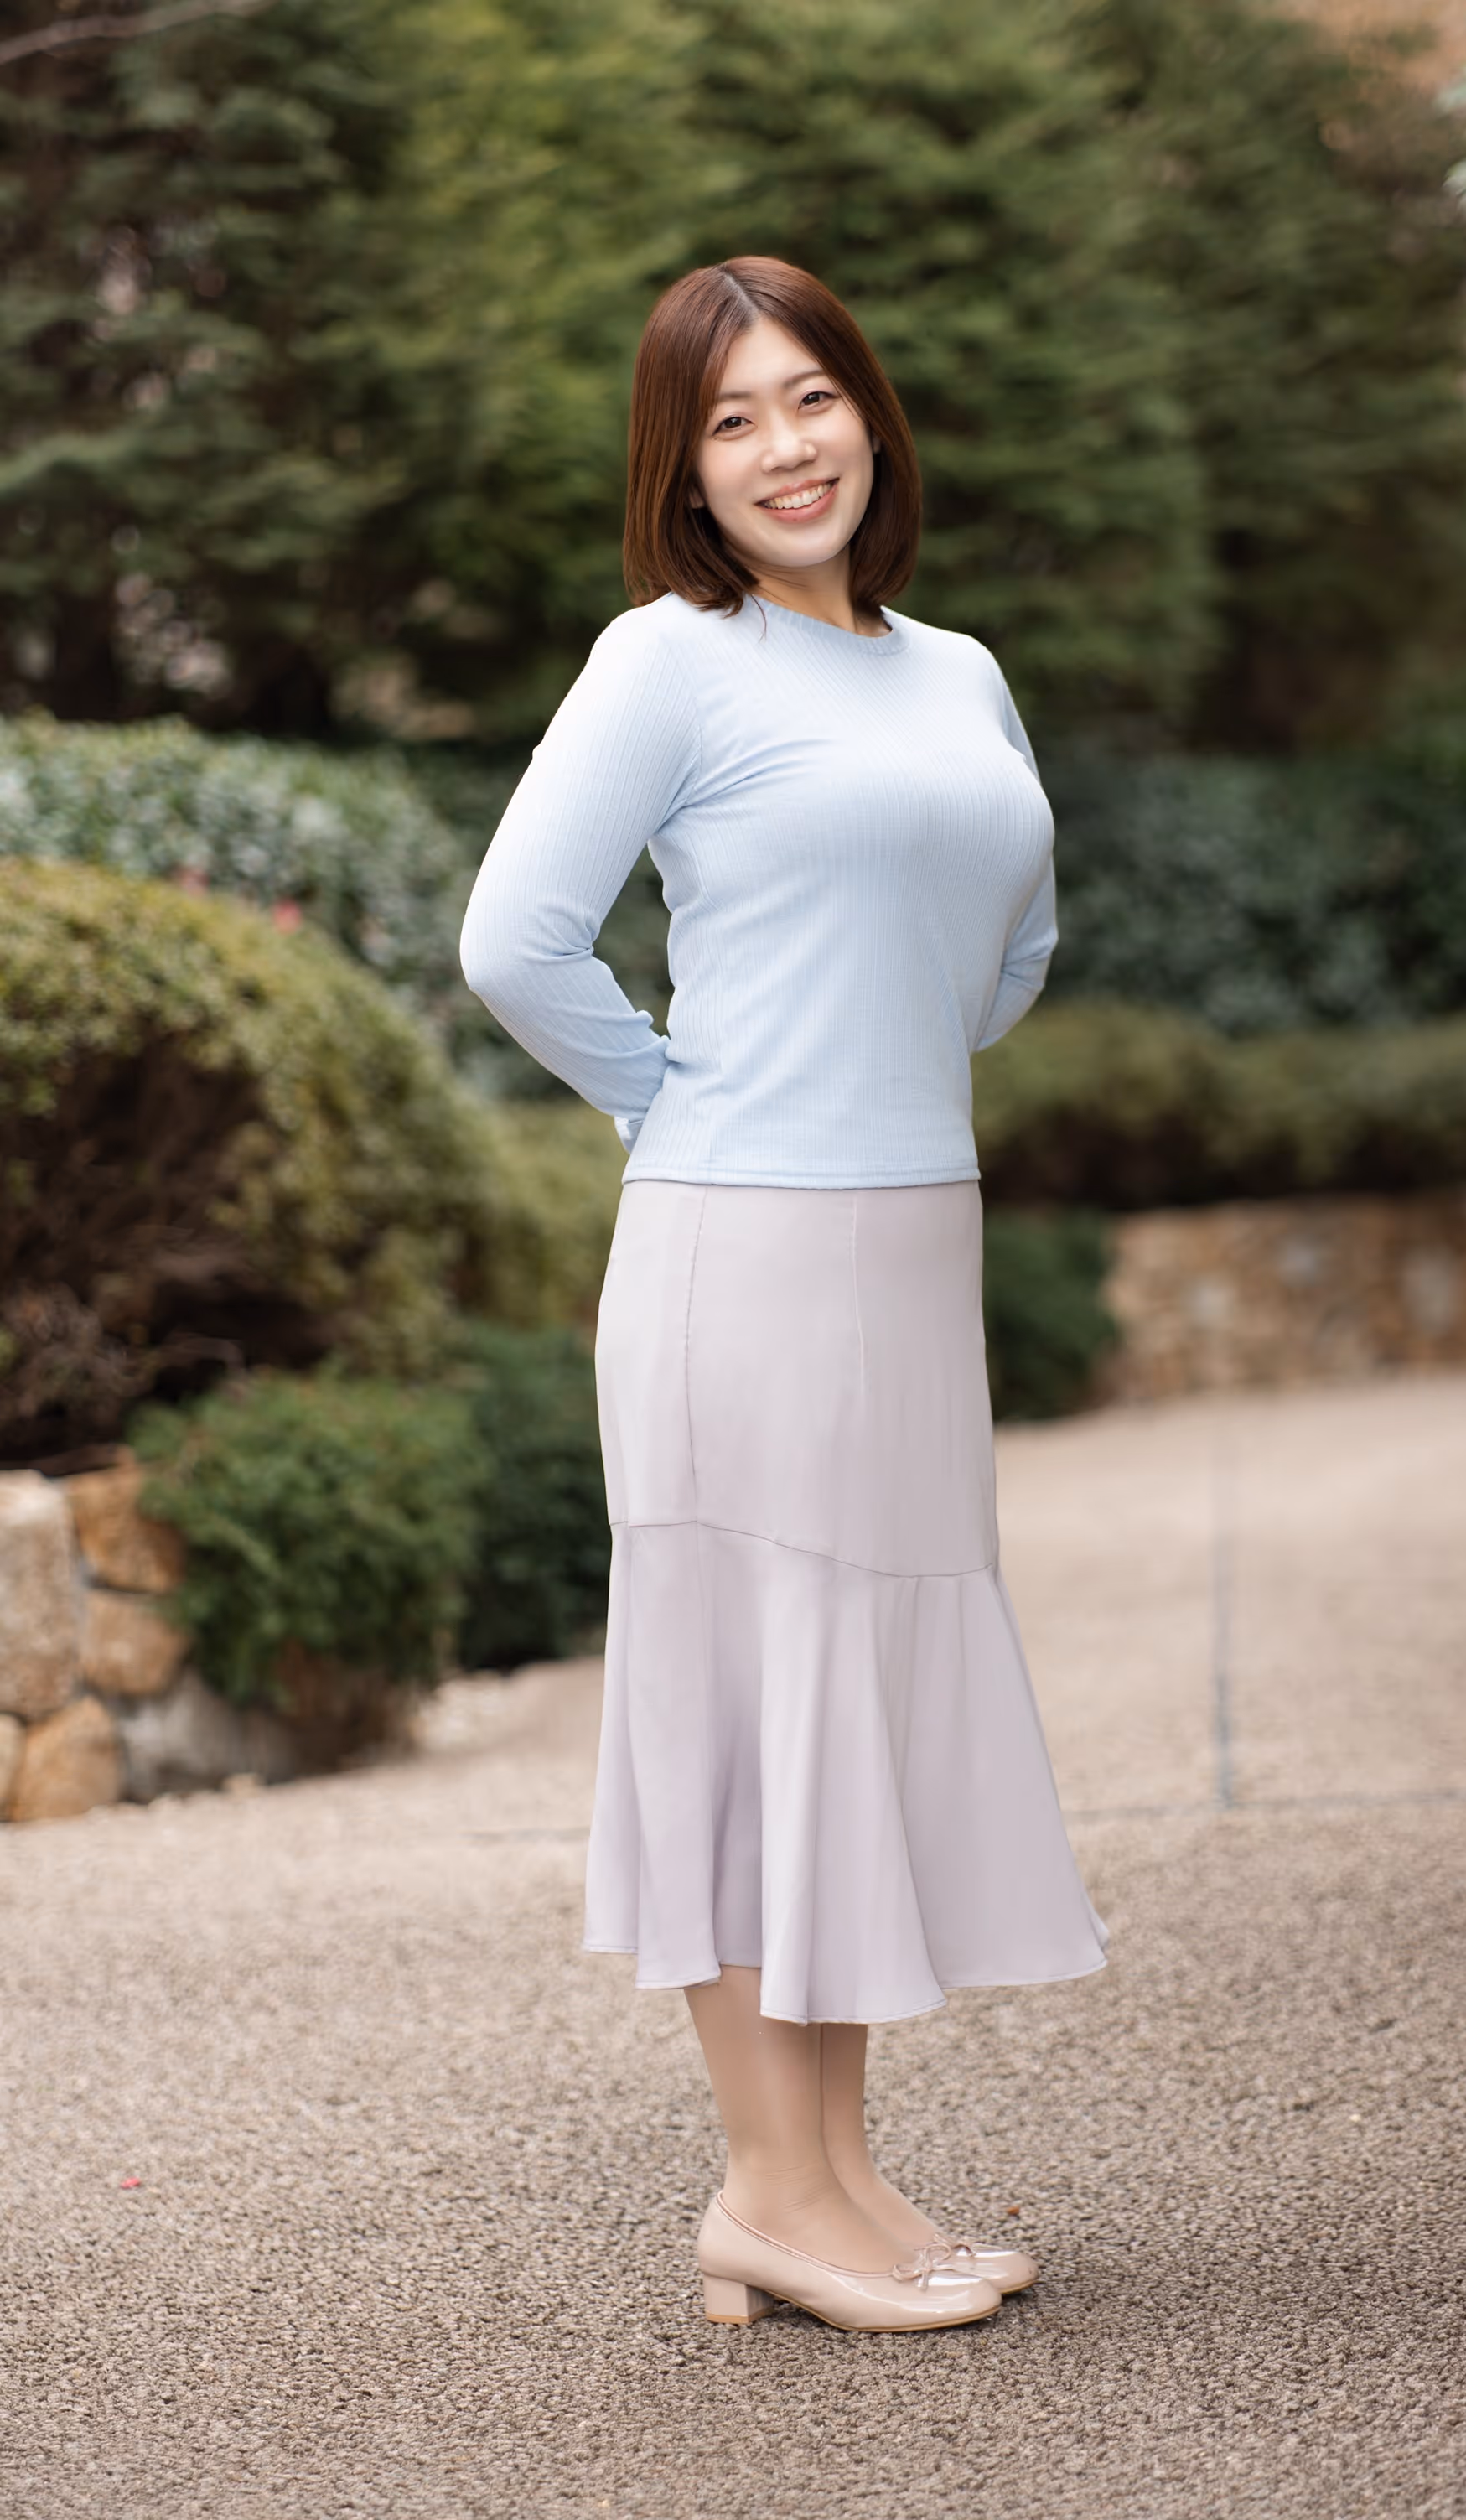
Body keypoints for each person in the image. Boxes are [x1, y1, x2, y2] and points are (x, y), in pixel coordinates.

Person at [459, 255, 1108, 2336]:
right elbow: (515, 939)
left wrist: (888, 1034)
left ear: (870, 416)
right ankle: (766, 2190)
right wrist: (681, 1101)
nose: (785, 447)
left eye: (811, 396)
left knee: (850, 1718)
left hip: (911, 1243)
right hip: (737, 1243)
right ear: (686, 469)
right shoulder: (669, 662)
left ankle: (838, 2180)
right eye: (730, 419)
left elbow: (1013, 940)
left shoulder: (960, 672)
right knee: (754, 1715)